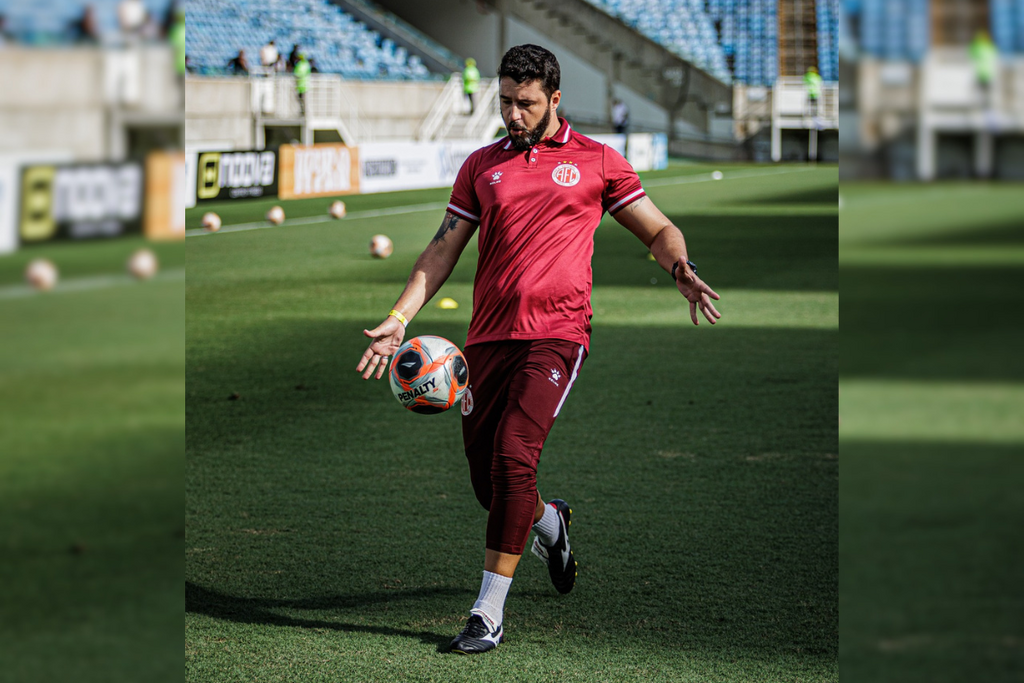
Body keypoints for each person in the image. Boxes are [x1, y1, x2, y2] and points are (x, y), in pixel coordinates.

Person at [356, 44, 720, 655]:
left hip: (556, 335)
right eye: (504, 102)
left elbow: (658, 228)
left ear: (555, 99)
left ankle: (486, 613)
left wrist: (678, 265)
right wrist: (398, 317)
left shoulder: (598, 161)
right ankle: (553, 524)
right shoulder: (481, 165)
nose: (513, 114)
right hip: (487, 340)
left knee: (512, 455)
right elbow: (443, 248)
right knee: (489, 484)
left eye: (525, 103)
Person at [970, 30, 998, 110]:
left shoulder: (978, 47)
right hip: (989, 73)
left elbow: (971, 53)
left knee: (979, 91)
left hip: (981, 73)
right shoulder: (990, 47)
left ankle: (980, 106)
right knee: (987, 92)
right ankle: (987, 105)